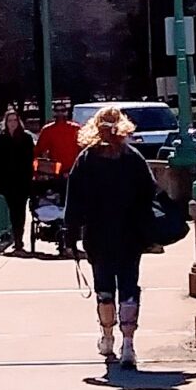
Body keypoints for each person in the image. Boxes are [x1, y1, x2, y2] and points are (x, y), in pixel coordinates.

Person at [62, 104, 157, 367]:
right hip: (130, 234)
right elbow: (151, 192)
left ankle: (107, 338)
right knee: (129, 287)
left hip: (98, 235)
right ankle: (129, 344)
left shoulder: (86, 159)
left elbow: (74, 202)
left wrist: (71, 235)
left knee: (104, 289)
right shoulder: (133, 157)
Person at [33, 99, 83, 255]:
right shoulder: (49, 130)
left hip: (72, 174)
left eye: (63, 110)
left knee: (72, 207)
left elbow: (82, 152)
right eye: (58, 110)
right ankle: (64, 239)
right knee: (62, 204)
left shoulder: (76, 129)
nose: (60, 113)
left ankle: (68, 241)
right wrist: (39, 172)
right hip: (57, 175)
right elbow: (39, 152)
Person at [0, 109, 37, 253]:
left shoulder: (26, 139)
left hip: (23, 181)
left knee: (20, 210)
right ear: (5, 123)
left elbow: (32, 159)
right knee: (14, 210)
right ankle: (17, 239)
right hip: (7, 182)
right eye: (10, 120)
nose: (12, 123)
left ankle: (18, 239)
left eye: (15, 120)